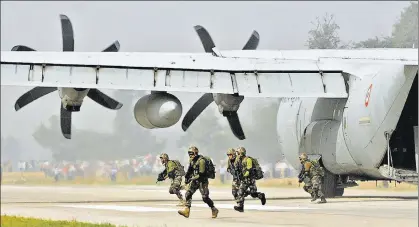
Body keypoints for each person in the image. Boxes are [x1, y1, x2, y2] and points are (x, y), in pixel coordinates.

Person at [178, 146, 219, 218]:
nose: (190, 155)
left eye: (191, 153)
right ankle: (187, 210)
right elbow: (190, 169)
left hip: (202, 181)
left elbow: (201, 174)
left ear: (195, 153)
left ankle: (214, 209)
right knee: (188, 194)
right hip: (195, 181)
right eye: (189, 154)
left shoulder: (201, 161)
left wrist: (191, 178)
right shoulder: (192, 160)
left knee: (205, 197)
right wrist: (187, 177)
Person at [234, 147, 266, 212]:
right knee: (241, 192)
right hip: (244, 180)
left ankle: (261, 195)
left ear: (241, 153)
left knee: (253, 193)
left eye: (238, 152)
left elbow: (249, 169)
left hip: (250, 179)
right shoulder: (239, 160)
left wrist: (244, 175)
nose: (237, 154)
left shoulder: (248, 159)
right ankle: (240, 206)